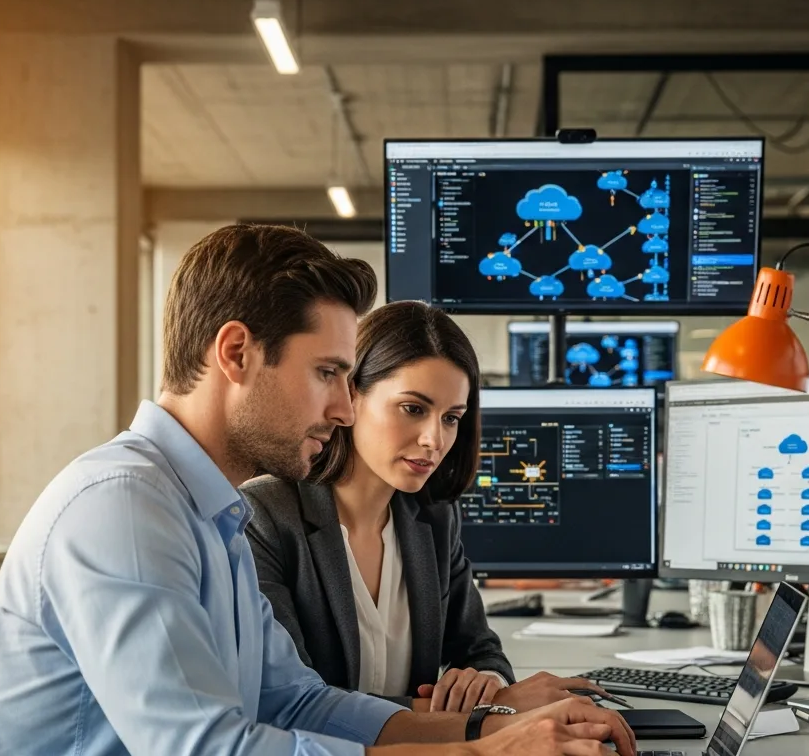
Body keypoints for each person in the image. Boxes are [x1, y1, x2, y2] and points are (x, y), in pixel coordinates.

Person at [0, 223, 635, 756]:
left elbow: (297, 703)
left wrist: (493, 730)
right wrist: (479, 754)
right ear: (235, 354)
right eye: (327, 373)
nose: (344, 410)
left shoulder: (209, 512)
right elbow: (206, 748)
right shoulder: (122, 507)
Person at [242, 301, 609, 714]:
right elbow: (290, 704)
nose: (434, 439)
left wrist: (486, 682)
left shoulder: (434, 518)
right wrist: (490, 711)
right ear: (351, 395)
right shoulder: (263, 519)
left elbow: (481, 650)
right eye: (413, 409)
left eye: (451, 417)